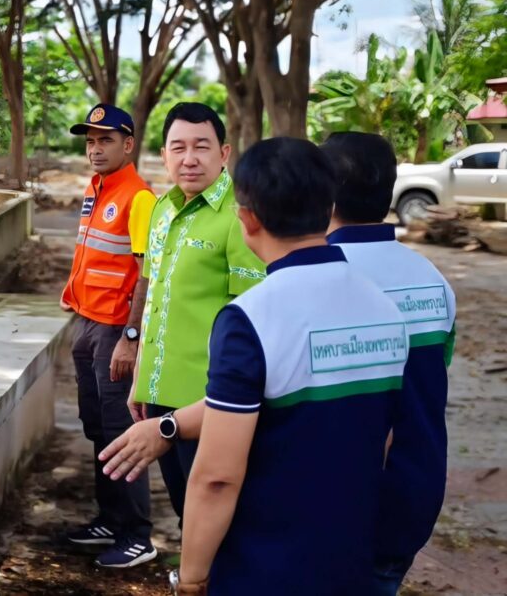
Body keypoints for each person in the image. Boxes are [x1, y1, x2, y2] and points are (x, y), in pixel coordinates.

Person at [101, 137, 410, 595]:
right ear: (329, 210)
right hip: (350, 555)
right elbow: (382, 438)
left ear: (246, 219)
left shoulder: (251, 318)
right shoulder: (383, 308)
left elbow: (217, 477)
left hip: (264, 565)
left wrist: (191, 580)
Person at [321, 132, 457, 595]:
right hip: (415, 498)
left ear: (323, 191)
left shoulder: (314, 281)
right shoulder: (434, 281)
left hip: (333, 511)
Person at [126, 102, 264, 525]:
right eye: (178, 147)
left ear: (223, 153)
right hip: (159, 397)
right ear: (164, 155)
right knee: (188, 513)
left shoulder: (239, 217)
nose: (189, 159)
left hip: (211, 404)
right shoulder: (162, 211)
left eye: (201, 147)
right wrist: (140, 380)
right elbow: (154, 301)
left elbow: (254, 319)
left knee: (215, 518)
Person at [60, 103, 158, 568]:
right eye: (91, 140)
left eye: (106, 140)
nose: (96, 149)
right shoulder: (96, 189)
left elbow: (146, 274)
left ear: (128, 144)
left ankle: (138, 534)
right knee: (97, 425)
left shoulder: (138, 197)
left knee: (121, 430)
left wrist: (131, 338)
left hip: (117, 329)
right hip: (88, 321)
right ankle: (110, 519)